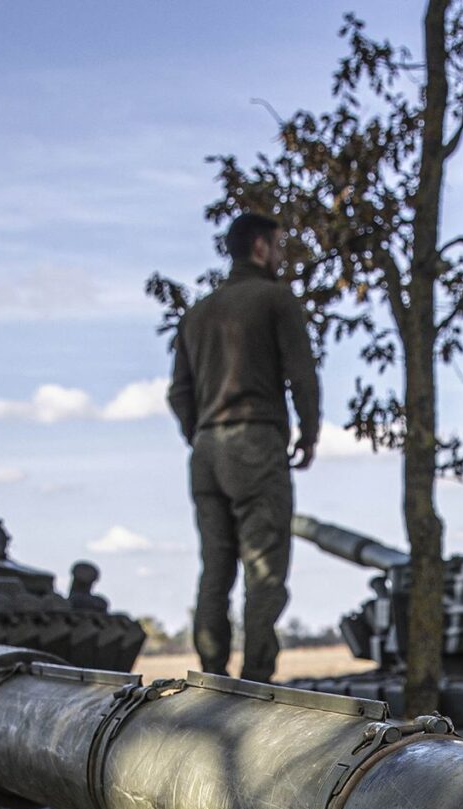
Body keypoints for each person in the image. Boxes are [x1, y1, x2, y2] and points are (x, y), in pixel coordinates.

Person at [167, 211, 320, 682]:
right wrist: (308, 432)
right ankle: (255, 681)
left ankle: (211, 674)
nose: (280, 256)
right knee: (264, 569)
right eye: (278, 246)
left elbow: (178, 393)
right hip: (255, 441)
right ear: (259, 247)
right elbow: (300, 374)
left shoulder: (196, 314)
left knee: (215, 568)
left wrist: (201, 433)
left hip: (206, 452)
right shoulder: (275, 299)